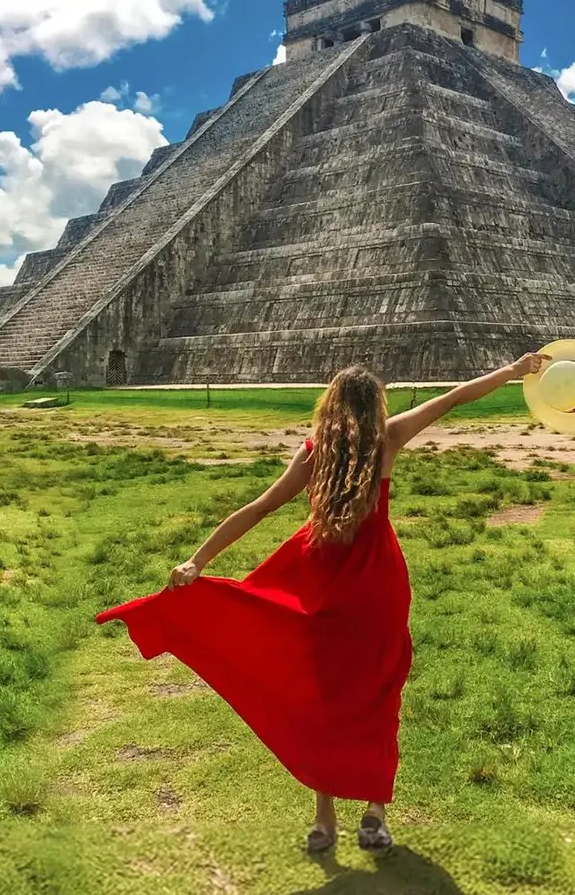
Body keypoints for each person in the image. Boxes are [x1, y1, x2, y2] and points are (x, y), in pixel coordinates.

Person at [95, 353, 550, 856]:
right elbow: (455, 397)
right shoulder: (388, 439)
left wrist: (197, 561)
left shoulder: (316, 453)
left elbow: (261, 506)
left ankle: (325, 818)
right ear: (377, 405)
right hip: (375, 584)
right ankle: (374, 814)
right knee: (379, 693)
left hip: (320, 584)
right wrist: (512, 371)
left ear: (330, 405)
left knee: (324, 697)